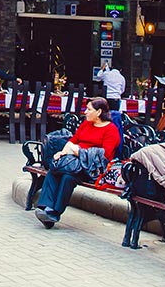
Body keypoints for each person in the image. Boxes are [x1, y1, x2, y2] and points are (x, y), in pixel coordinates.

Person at [34, 98, 121, 228]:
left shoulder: (111, 130)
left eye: (89, 109)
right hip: (74, 162)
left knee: (68, 176)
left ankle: (54, 212)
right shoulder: (86, 124)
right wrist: (62, 153)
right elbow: (73, 140)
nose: (85, 112)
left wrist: (79, 152)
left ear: (98, 112)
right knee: (55, 170)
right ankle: (45, 207)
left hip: (93, 167)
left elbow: (105, 155)